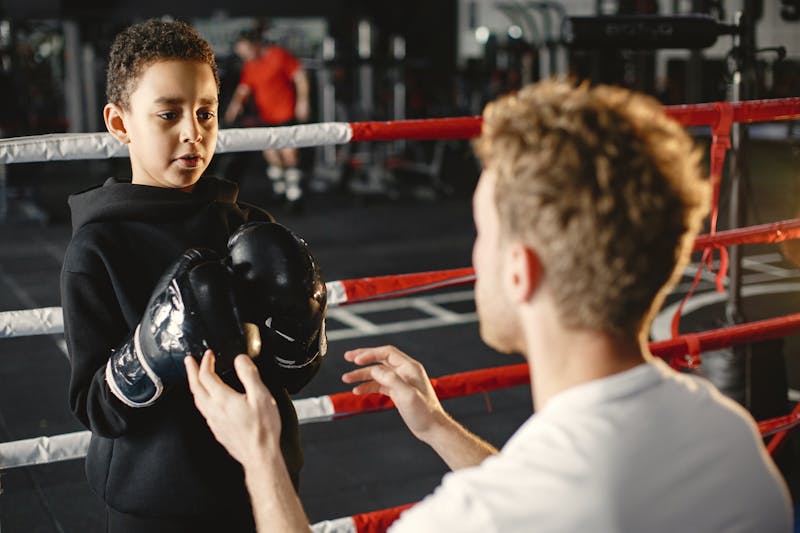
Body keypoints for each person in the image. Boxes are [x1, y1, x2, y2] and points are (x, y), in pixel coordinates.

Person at [185, 79, 794, 532]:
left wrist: (261, 455)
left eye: (483, 233)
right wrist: (440, 429)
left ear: (520, 270)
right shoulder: (726, 436)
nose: (474, 258)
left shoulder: (482, 517)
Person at [60, 19, 323, 533]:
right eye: (168, 113)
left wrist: (302, 327)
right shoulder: (97, 248)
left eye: (206, 112)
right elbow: (94, 408)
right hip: (157, 503)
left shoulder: (250, 226)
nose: (192, 132)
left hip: (260, 481)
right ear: (120, 123)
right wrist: (147, 356)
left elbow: (293, 375)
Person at [224, 30, 310, 206]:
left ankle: (295, 195)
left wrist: (303, 102)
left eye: (246, 51)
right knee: (270, 153)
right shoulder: (250, 65)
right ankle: (282, 189)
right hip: (266, 117)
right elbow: (243, 89)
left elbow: (300, 77)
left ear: (254, 45)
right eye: (241, 54)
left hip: (286, 114)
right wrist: (234, 107)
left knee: (289, 153)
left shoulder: (278, 55)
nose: (244, 56)